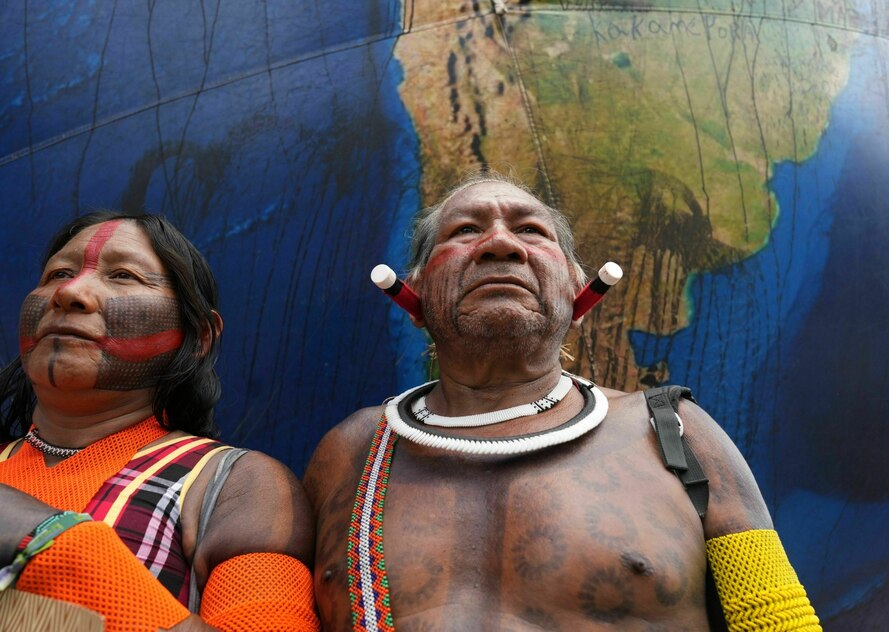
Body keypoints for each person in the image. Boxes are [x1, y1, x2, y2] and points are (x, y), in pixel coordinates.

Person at [304, 174, 821, 631]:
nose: (500, 244)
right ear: (412, 295)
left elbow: (778, 623)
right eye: (465, 231)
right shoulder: (351, 450)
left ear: (578, 293)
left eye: (531, 230)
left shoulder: (675, 431)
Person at [0, 212, 318, 631]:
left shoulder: (237, 486)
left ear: (200, 336)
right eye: (58, 273)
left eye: (125, 276)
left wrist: (48, 541)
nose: (70, 292)